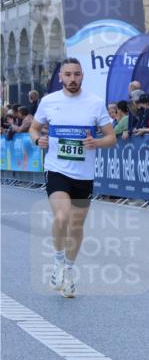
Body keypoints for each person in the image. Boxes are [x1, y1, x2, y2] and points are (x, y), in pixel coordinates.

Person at [29, 57, 117, 299]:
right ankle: (57, 261)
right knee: (62, 215)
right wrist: (38, 140)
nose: (72, 79)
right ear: (60, 77)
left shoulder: (95, 103)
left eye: (77, 74)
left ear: (82, 76)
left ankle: (68, 270)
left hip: (84, 174)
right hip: (57, 169)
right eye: (68, 75)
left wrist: (96, 142)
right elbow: (33, 129)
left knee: (76, 225)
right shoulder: (49, 102)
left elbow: (112, 137)